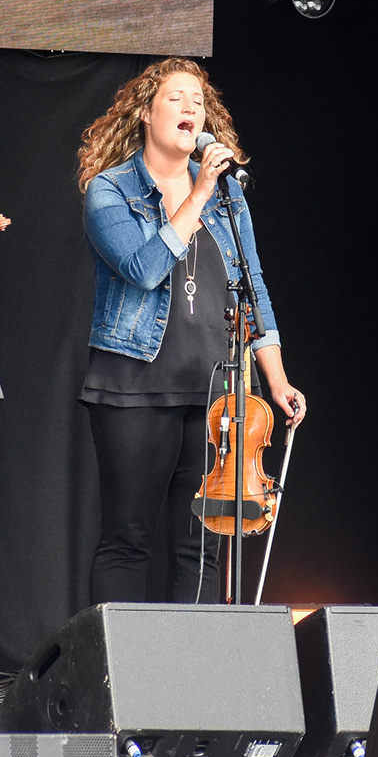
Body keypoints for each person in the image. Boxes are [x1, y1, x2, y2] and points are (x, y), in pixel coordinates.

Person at [75, 57, 306, 604]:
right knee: (128, 538)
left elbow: (253, 290)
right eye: (177, 98)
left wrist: (276, 381)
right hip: (133, 389)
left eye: (198, 101)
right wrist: (196, 194)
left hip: (216, 393)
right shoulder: (109, 192)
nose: (191, 108)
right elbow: (142, 268)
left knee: (201, 545)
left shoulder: (230, 197)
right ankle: (119, 676)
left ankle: (186, 681)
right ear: (145, 115)